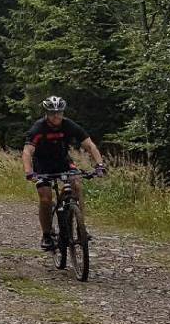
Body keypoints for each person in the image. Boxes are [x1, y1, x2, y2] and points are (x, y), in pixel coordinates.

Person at [22, 95, 107, 251]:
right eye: (52, 113)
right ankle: (47, 235)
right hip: (43, 165)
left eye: (59, 112)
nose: (56, 116)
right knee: (45, 198)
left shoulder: (68, 125)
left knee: (76, 185)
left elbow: (89, 145)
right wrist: (29, 172)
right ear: (46, 113)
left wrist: (100, 165)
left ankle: (81, 227)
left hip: (63, 162)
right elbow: (27, 151)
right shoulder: (38, 128)